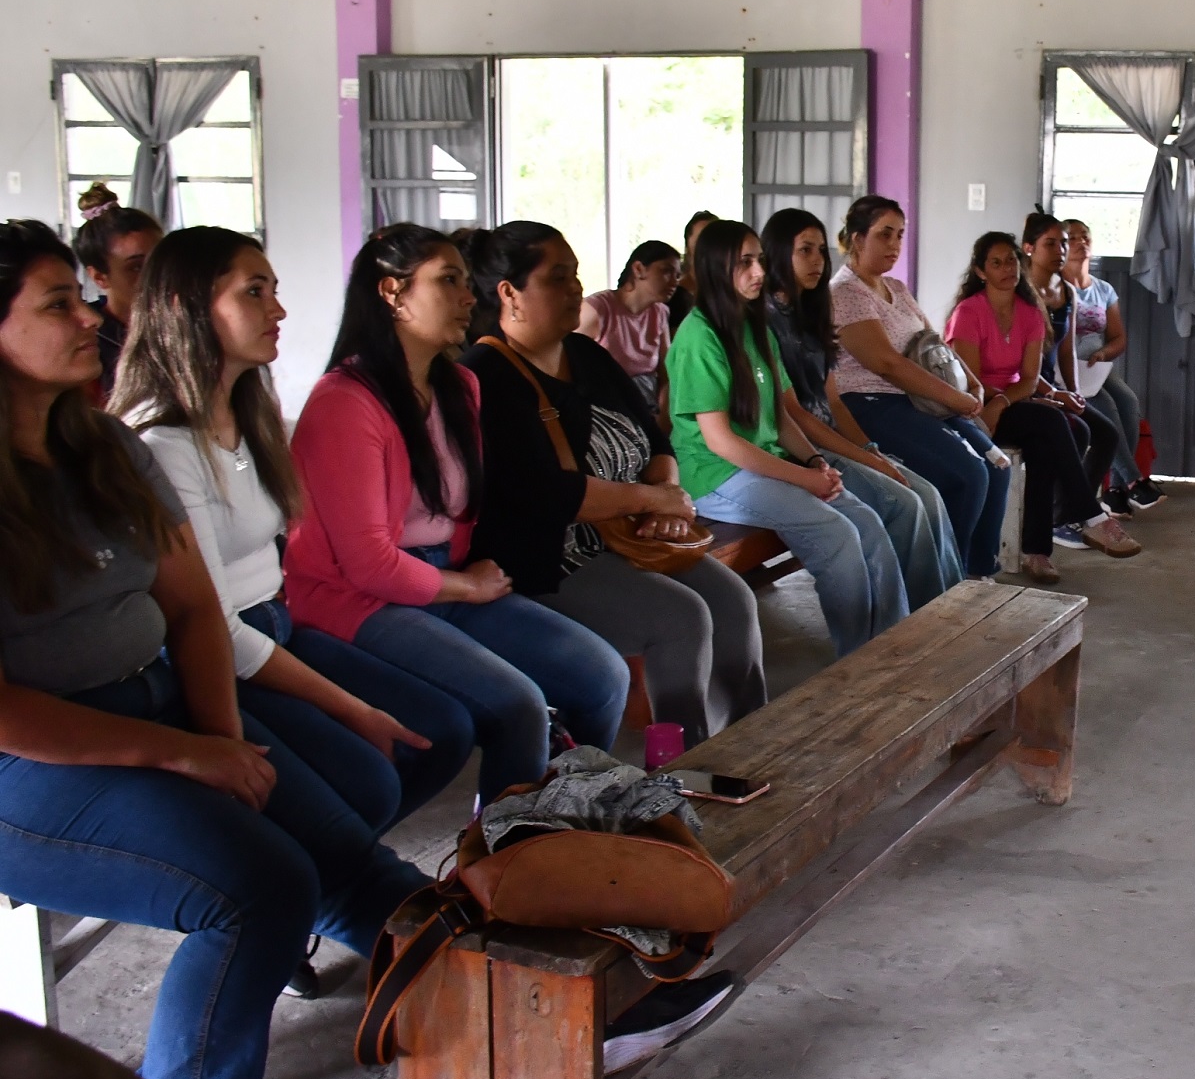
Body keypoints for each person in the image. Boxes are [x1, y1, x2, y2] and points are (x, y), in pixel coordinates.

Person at [0, 220, 426, 1079]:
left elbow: (193, 610)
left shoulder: (104, 450)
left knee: (349, 854)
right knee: (256, 887)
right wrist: (188, 758)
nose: (89, 316)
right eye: (58, 304)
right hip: (30, 761)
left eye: (81, 296)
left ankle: (542, 993)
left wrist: (220, 742)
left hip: (147, 697)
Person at [110, 225, 474, 831]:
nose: (278, 310)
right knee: (368, 776)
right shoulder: (162, 443)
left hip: (273, 625)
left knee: (440, 730)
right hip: (215, 654)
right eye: (254, 292)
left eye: (273, 290)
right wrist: (353, 709)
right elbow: (213, 629)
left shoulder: (251, 412)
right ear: (185, 307)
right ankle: (334, 869)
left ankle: (338, 863)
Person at [285, 224, 628, 804]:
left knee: (602, 676)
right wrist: (465, 587)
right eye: (448, 281)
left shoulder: (459, 386)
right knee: (518, 706)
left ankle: (560, 819)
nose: (469, 297)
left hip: (443, 579)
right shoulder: (344, 402)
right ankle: (501, 856)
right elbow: (369, 564)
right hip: (362, 599)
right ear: (392, 293)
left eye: (467, 282)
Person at [460, 221, 766, 745]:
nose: (575, 288)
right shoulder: (486, 376)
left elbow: (656, 443)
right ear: (510, 293)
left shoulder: (587, 356)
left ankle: (751, 743)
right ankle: (681, 763)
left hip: (628, 534)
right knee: (680, 616)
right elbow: (550, 494)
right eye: (558, 278)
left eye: (576, 275)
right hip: (547, 559)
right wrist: (654, 498)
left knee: (734, 600)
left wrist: (666, 499)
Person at [668, 219, 906, 656]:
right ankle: (857, 662)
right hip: (716, 475)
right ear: (714, 268)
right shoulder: (698, 337)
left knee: (867, 523)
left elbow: (780, 417)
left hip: (762, 462)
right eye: (744, 263)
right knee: (836, 533)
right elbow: (721, 442)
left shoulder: (752, 325)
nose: (759, 272)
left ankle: (892, 647)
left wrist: (816, 462)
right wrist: (803, 480)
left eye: (758, 260)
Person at [762, 207, 963, 607]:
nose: (817, 261)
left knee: (927, 494)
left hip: (831, 438)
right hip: (801, 449)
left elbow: (832, 400)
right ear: (778, 254)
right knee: (902, 503)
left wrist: (871, 451)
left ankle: (949, 608)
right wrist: (867, 460)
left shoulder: (812, 314)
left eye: (820, 250)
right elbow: (796, 416)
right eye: (804, 250)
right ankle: (924, 620)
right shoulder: (765, 321)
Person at [830, 196, 1011, 578]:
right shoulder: (844, 293)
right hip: (872, 404)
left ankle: (979, 572)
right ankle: (947, 583)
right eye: (884, 235)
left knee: (997, 466)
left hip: (919, 401)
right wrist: (957, 399)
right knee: (968, 474)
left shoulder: (896, 287)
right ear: (857, 239)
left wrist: (972, 383)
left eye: (899, 235)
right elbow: (887, 364)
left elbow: (933, 344)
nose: (894, 245)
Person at [945, 233, 1141, 582]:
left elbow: (1030, 377)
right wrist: (1006, 400)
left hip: (1009, 402)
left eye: (1011, 261)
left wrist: (1014, 398)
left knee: (1066, 432)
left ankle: (1038, 550)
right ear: (980, 271)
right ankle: (1089, 517)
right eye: (996, 263)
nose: (1007, 269)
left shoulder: (1030, 313)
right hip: (974, 405)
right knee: (1052, 424)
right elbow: (969, 379)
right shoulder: (969, 312)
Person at [1021, 212, 1124, 544]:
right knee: (1072, 431)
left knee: (1106, 433)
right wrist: (1052, 394)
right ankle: (1067, 516)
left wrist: (1076, 393)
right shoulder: (1022, 292)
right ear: (1028, 249)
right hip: (1025, 387)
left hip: (1054, 386)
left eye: (1063, 243)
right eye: (1050, 244)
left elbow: (1065, 349)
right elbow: (1022, 366)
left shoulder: (1066, 290)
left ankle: (1067, 515)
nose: (1060, 251)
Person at [1065, 218, 1163, 513]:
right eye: (1073, 238)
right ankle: (1134, 482)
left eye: (1086, 236)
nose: (1081, 242)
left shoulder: (1104, 289)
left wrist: (1105, 354)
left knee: (1128, 401)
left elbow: (1119, 338)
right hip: (1070, 368)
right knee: (1107, 407)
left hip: (1098, 365)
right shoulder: (1055, 288)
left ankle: (1116, 490)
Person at [72, 183, 161, 402]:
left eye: (160, 260)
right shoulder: (90, 340)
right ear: (99, 277)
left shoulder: (187, 326)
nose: (156, 275)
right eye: (136, 267)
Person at [579, 238, 678, 407]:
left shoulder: (659, 312)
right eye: (666, 271)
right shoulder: (598, 308)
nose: (674, 282)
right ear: (639, 269)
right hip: (606, 407)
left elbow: (666, 374)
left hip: (648, 407)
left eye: (677, 275)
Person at [667, 211, 717, 334]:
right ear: (687, 246)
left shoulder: (723, 292)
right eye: (701, 239)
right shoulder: (676, 295)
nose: (707, 246)